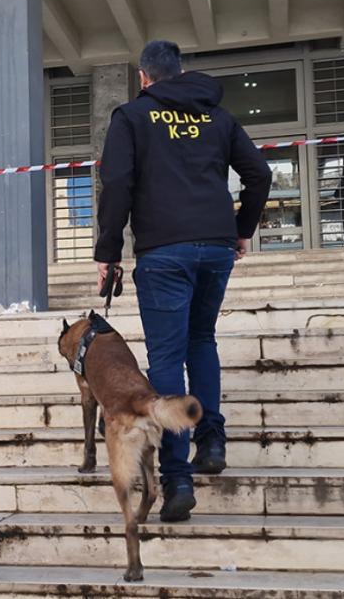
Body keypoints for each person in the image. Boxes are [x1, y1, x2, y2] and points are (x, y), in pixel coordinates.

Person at [93, 40, 272, 522]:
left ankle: (178, 478)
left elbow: (118, 184)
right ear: (181, 71)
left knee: (168, 359)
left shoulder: (132, 117)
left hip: (163, 251)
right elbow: (259, 174)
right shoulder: (218, 116)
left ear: (143, 76)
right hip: (215, 246)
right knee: (202, 341)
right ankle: (211, 440)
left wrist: (108, 252)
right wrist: (241, 228)